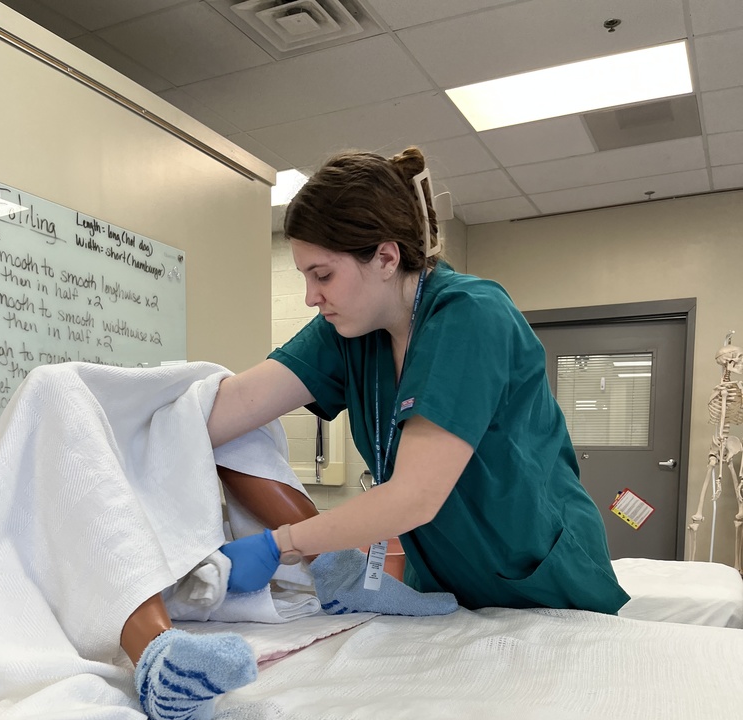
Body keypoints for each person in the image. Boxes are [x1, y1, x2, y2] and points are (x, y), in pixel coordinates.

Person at [209, 146, 629, 616]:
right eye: (305, 277)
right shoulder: (348, 331)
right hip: (445, 581)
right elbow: (235, 406)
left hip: (542, 580)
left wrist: (278, 544)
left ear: (386, 257)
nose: (311, 297)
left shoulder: (471, 315)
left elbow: (415, 496)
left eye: (322, 275)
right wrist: (135, 418)